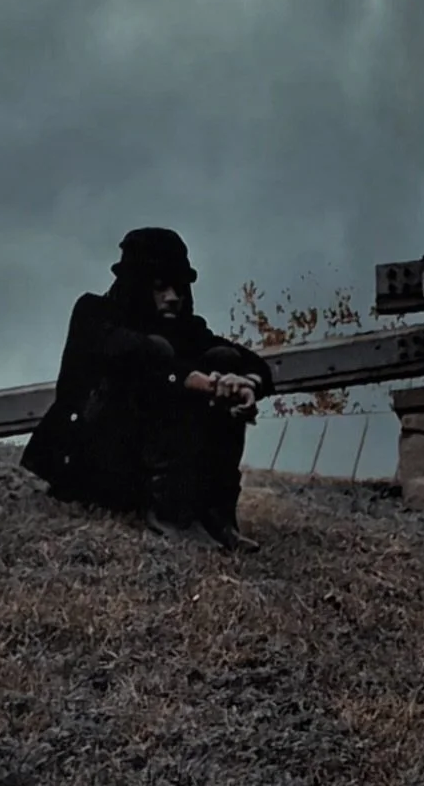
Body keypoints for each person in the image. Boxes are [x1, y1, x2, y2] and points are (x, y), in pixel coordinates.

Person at [20, 228, 274, 551]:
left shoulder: (184, 329)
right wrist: (201, 382)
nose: (172, 297)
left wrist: (244, 384)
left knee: (222, 358)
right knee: (157, 354)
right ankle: (171, 512)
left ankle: (215, 513)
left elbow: (252, 362)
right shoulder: (93, 314)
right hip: (89, 466)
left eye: (179, 288)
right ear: (137, 285)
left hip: (140, 468)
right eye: (159, 287)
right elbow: (136, 357)